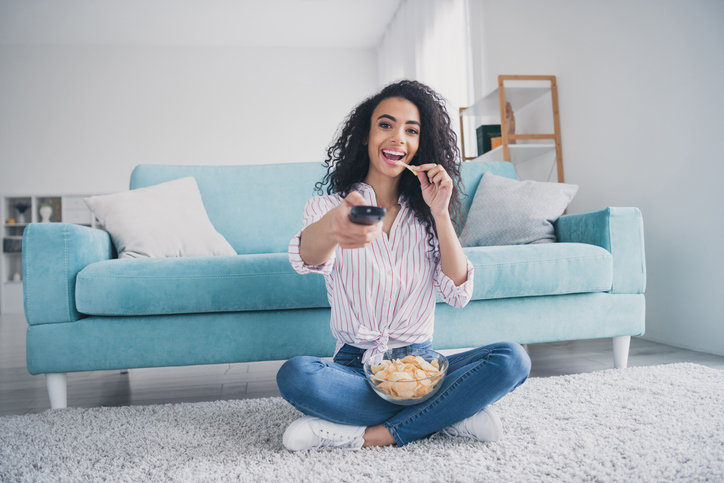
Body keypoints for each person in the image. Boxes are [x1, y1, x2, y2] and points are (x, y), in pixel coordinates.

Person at [277, 80, 531, 451]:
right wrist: (336, 226)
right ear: (365, 135)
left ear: (419, 146)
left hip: (422, 367)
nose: (398, 138)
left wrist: (441, 213)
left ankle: (372, 435)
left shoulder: (429, 216)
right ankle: (449, 416)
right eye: (386, 125)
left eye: (411, 130)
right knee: (297, 376)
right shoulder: (330, 207)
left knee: (512, 360)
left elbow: (458, 291)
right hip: (354, 365)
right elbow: (308, 258)